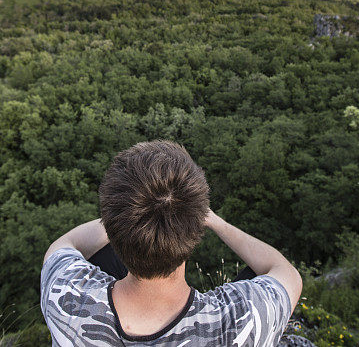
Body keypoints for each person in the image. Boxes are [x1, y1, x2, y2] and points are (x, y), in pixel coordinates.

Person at [41, 140, 302, 346]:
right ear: (196, 225)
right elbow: (284, 271)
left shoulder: (66, 296)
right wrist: (215, 221)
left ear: (109, 220)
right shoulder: (240, 320)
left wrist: (124, 216)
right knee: (256, 272)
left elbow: (67, 243)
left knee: (101, 254)